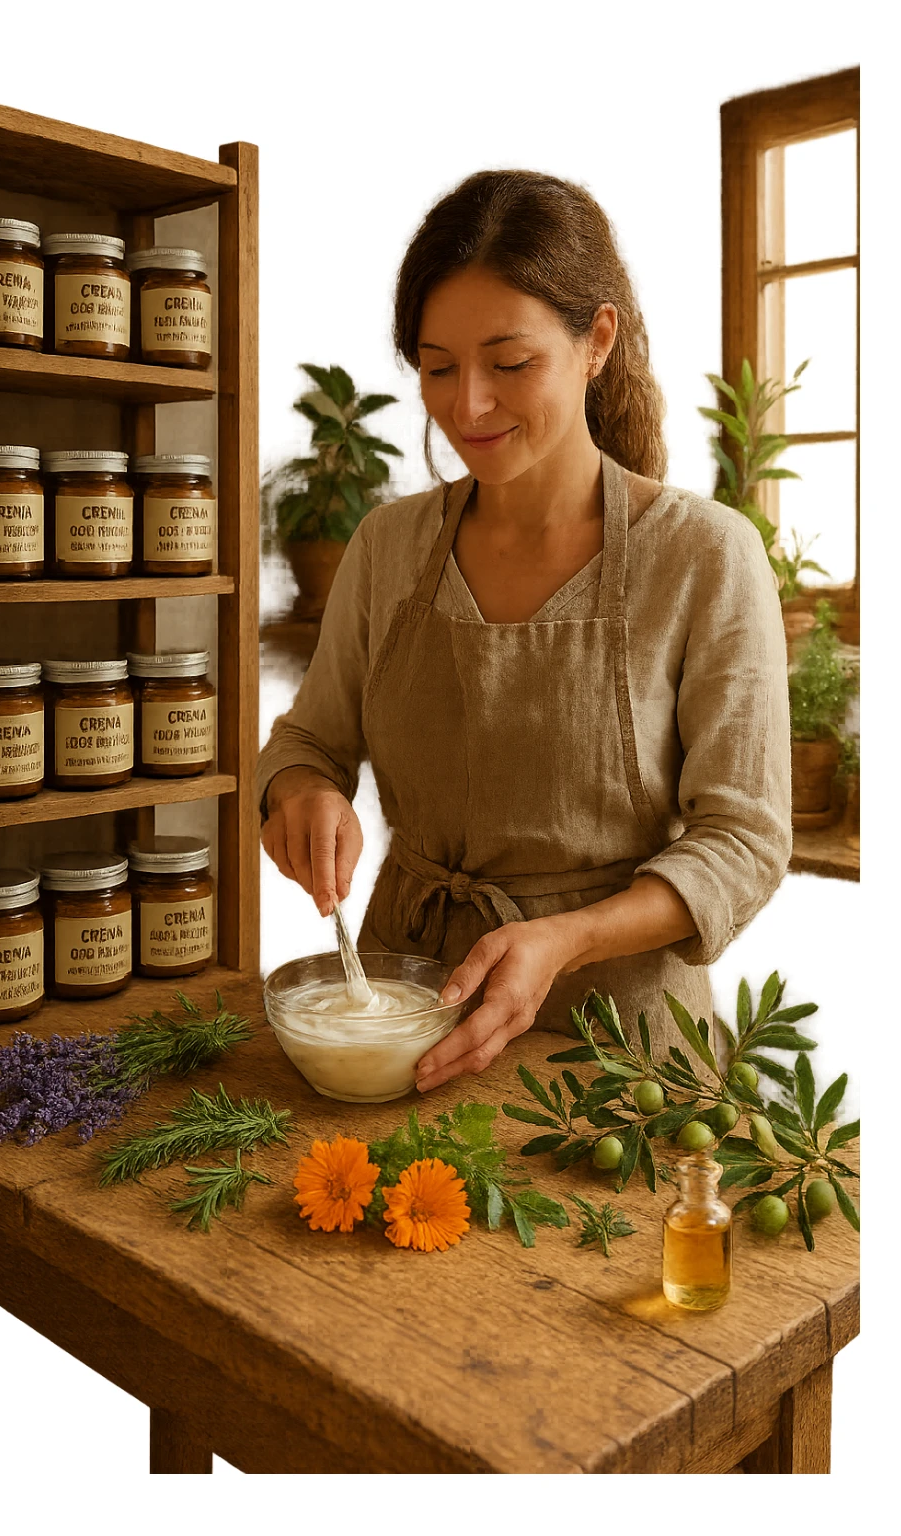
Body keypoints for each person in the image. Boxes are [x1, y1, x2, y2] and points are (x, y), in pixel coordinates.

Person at [256, 169, 791, 1093]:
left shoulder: (706, 556)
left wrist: (567, 938)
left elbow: (741, 842)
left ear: (598, 342)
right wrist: (300, 792)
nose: (468, 407)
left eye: (510, 364)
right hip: (398, 1022)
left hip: (619, 1056)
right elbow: (310, 738)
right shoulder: (388, 546)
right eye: (437, 368)